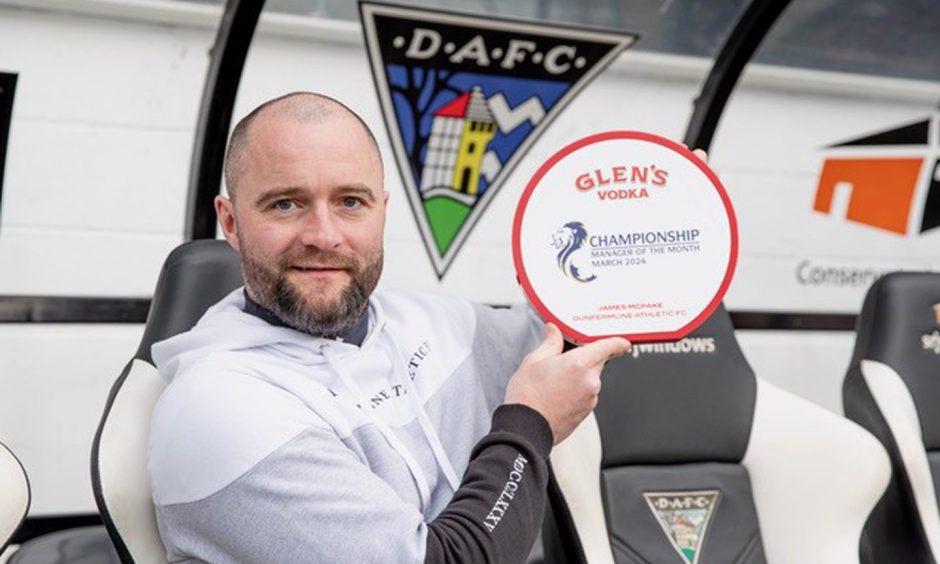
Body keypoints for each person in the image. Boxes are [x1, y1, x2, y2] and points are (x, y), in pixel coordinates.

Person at [148, 91, 631, 563]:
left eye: (350, 202)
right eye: (285, 204)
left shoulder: (435, 323)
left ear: (382, 210)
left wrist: (668, 220)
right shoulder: (217, 407)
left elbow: (561, 331)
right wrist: (531, 424)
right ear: (230, 222)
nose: (324, 236)